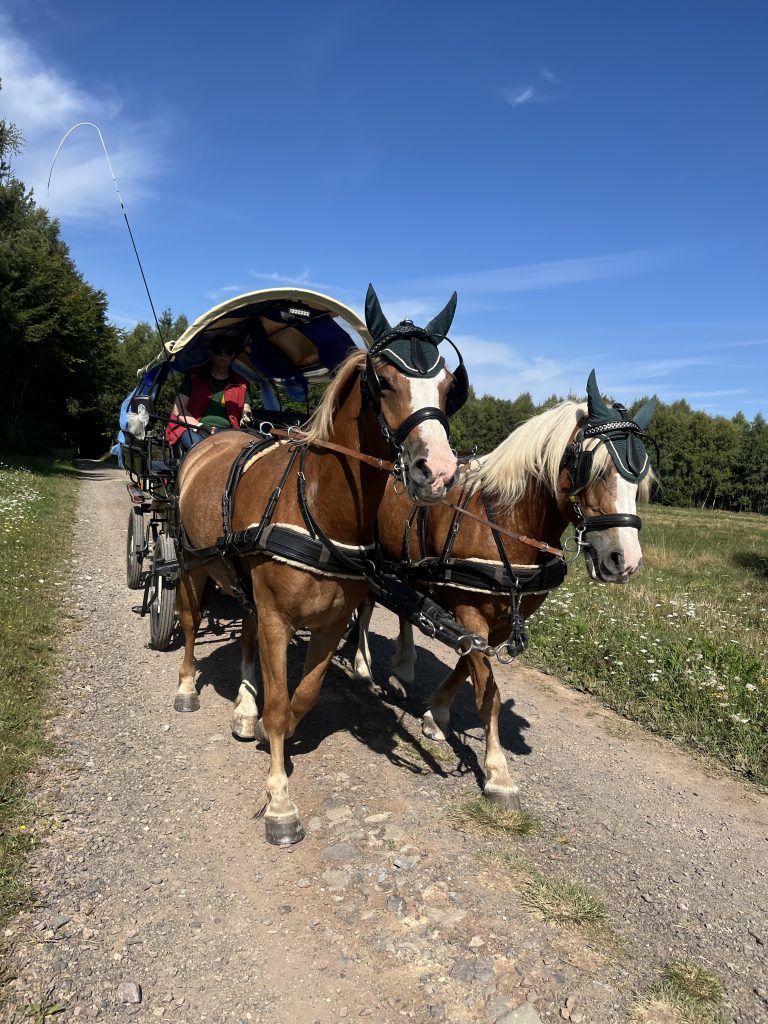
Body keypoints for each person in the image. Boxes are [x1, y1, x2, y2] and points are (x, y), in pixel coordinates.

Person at [166, 338, 253, 450]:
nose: (223, 354)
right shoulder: (194, 376)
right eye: (218, 350)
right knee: (203, 450)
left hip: (229, 432)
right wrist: (199, 427)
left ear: (233, 356)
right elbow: (178, 409)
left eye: (228, 351)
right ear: (210, 353)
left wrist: (246, 415)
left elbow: (246, 408)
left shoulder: (242, 383)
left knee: (248, 453)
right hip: (193, 428)